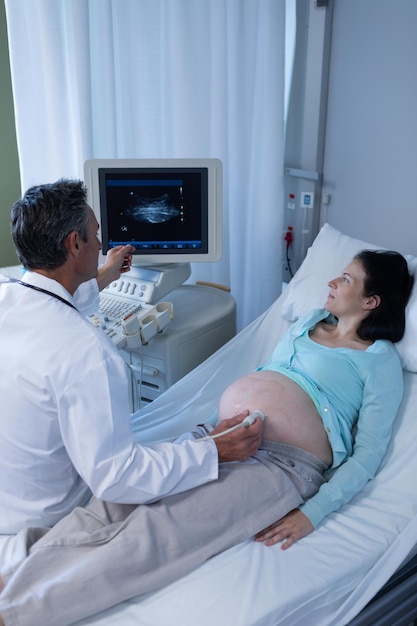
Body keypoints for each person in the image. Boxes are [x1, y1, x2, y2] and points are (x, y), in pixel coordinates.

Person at [0, 247, 413, 626]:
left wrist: (314, 511)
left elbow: (368, 454)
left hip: (280, 466)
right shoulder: (308, 323)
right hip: (221, 438)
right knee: (111, 503)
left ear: (371, 301)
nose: (331, 282)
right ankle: (13, 575)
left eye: (345, 279)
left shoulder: (379, 363)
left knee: (157, 532)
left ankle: (17, 613)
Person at [0, 179, 263, 535]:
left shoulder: (7, 296)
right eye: (95, 235)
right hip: (45, 518)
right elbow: (118, 478)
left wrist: (102, 275)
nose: (101, 243)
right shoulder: (87, 352)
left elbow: (52, 303)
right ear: (74, 244)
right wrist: (216, 451)